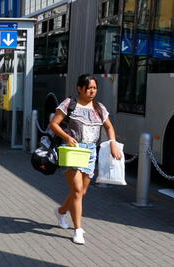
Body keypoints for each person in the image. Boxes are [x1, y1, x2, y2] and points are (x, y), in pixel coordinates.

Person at [49, 73, 121, 245]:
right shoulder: (69, 104)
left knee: (82, 192)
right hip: (73, 150)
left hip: (90, 152)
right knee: (77, 190)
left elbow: (109, 127)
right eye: (88, 88)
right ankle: (78, 230)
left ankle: (61, 211)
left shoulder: (99, 108)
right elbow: (54, 123)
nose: (92, 91)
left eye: (94, 88)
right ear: (79, 88)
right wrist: (67, 137)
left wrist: (113, 143)